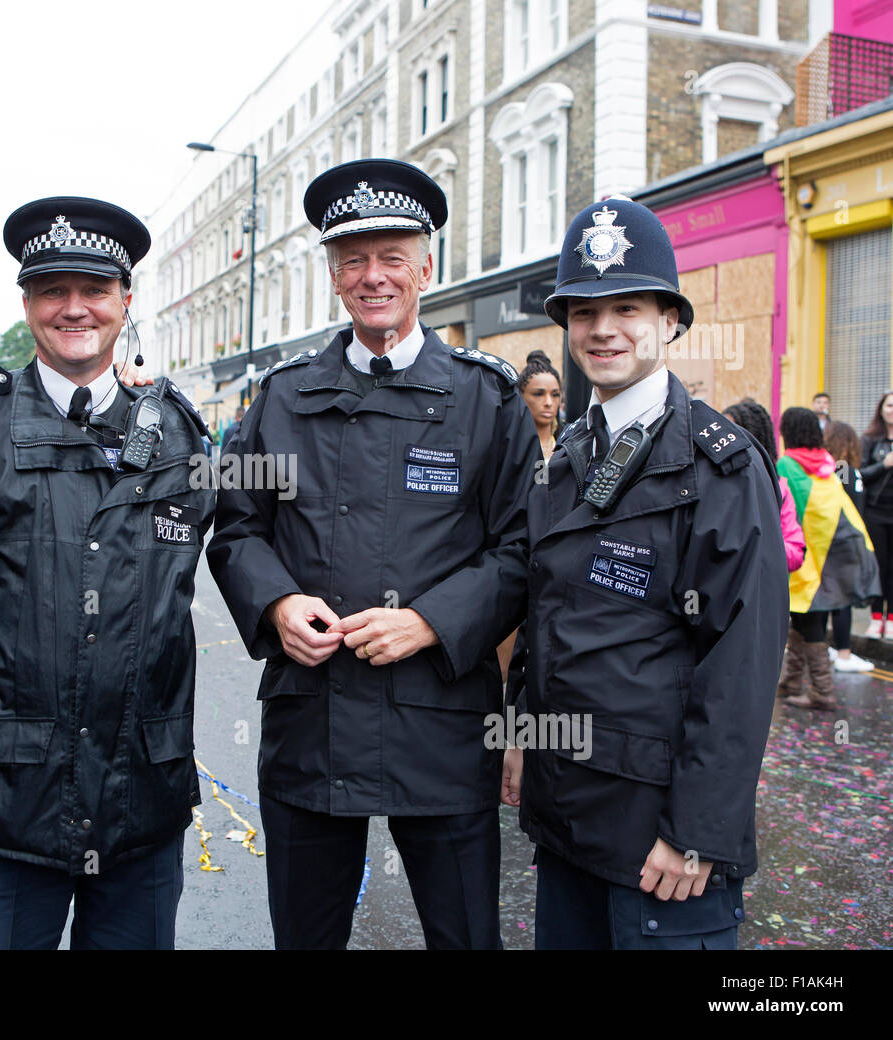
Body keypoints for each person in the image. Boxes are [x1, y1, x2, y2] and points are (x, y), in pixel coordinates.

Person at [207, 158, 541, 950]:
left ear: (427, 266)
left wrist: (430, 621)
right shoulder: (281, 398)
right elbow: (236, 527)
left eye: (393, 256)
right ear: (332, 275)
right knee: (306, 936)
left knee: (464, 935)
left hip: (442, 720)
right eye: (353, 260)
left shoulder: (484, 398)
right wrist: (277, 601)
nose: (373, 276)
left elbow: (523, 546)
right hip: (312, 721)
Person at [0, 197, 215, 950]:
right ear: (26, 305)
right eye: (53, 290)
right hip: (4, 800)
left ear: (125, 302)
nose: (74, 308)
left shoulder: (179, 433)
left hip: (139, 796)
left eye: (95, 290)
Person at [501, 196, 788, 950]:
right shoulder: (566, 458)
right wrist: (520, 732)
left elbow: (743, 662)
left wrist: (698, 833)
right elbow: (546, 617)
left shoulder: (719, 465)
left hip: (665, 854)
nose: (603, 330)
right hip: (566, 826)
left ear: (669, 321)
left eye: (627, 307)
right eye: (584, 311)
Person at [776, 407, 880, 709]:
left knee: (809, 619)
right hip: (830, 553)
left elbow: (786, 510)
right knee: (805, 617)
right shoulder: (825, 462)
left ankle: (822, 691)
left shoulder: (787, 465)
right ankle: (791, 680)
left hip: (806, 554)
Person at [722, 399, 805, 575]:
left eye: (732, 432)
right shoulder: (707, 483)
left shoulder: (778, 489)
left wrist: (754, 545)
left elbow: (795, 552)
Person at [823, 420, 874, 671]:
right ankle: (842, 653)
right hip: (850, 541)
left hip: (835, 541)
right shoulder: (851, 471)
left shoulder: (837, 470)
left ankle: (836, 653)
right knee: (842, 599)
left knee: (829, 598)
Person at [859, 391, 893, 638]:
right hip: (875, 512)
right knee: (878, 565)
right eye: (890, 405)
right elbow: (853, 474)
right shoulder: (869, 440)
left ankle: (891, 619)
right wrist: (884, 465)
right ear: (881, 409)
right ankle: (876, 616)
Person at [518, 350, 562, 461]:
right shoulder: (508, 447)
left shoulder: (571, 443)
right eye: (538, 394)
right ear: (521, 396)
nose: (548, 402)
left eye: (555, 394)